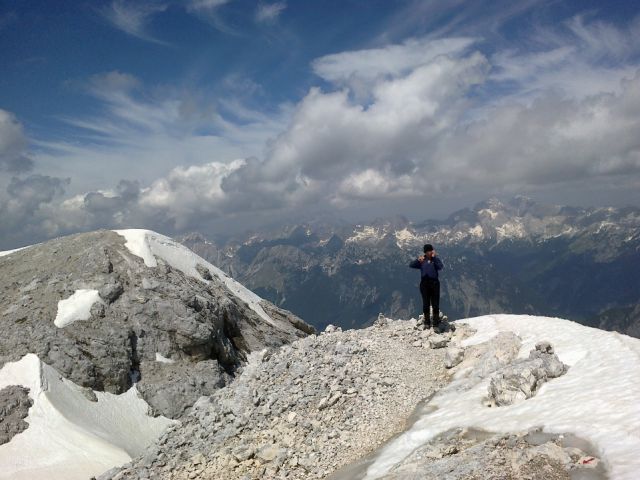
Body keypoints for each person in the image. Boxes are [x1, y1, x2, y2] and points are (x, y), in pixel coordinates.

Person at [409, 244, 444, 330]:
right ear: (425, 252)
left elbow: (440, 267)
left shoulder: (435, 260)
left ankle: (435, 324)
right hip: (424, 283)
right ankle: (427, 322)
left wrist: (434, 257)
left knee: (435, 304)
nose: (430, 252)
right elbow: (411, 265)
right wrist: (418, 260)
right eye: (428, 251)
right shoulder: (422, 261)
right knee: (426, 304)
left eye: (431, 250)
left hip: (434, 283)